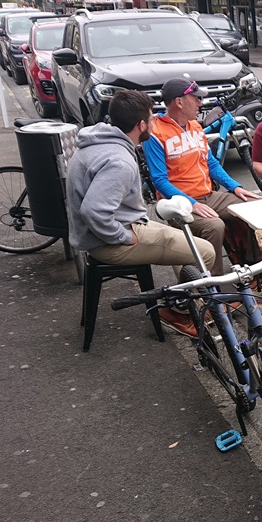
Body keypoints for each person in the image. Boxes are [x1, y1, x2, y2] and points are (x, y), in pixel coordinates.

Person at [66, 89, 216, 337]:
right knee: (205, 252)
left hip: (117, 227)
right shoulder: (119, 161)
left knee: (184, 240)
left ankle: (181, 301)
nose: (155, 121)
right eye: (152, 118)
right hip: (107, 242)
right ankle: (174, 311)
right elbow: (93, 211)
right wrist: (123, 237)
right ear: (141, 125)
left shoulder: (100, 141)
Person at [143, 78, 261, 277]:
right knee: (214, 226)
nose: (200, 103)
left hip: (209, 195)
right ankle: (212, 285)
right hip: (179, 203)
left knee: (253, 205)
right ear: (179, 102)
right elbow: (159, 180)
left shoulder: (195, 127)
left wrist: (235, 187)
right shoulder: (155, 134)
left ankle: (255, 268)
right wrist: (192, 204)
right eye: (196, 98)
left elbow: (212, 164)